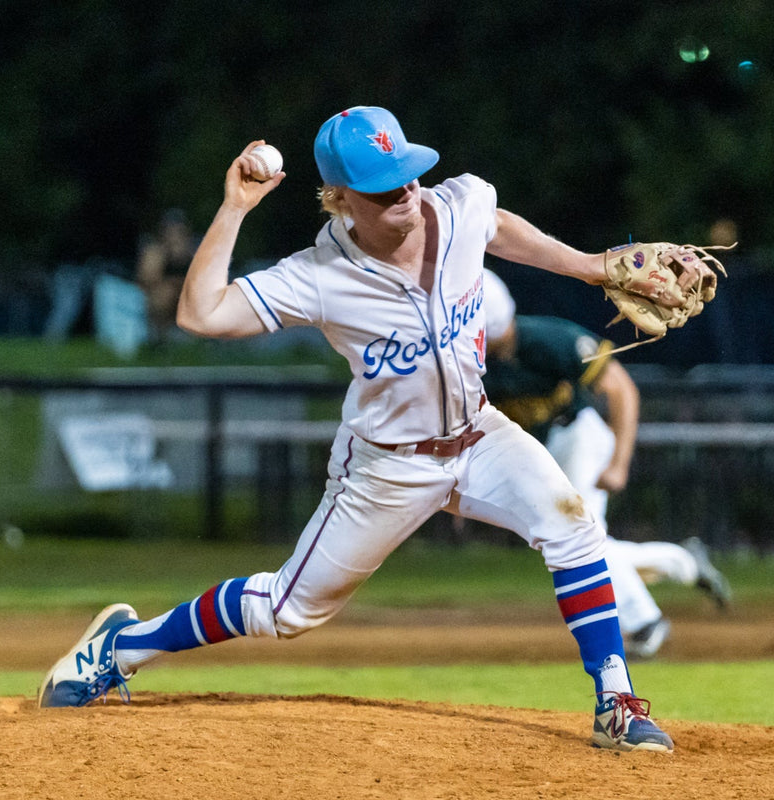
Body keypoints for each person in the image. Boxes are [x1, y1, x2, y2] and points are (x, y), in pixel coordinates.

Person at [38, 105, 715, 751]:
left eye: (409, 174)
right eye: (383, 186)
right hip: (388, 466)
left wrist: (592, 265)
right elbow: (202, 314)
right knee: (285, 612)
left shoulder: (454, 206)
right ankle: (121, 646)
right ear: (338, 197)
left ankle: (617, 703)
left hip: (479, 434)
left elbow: (496, 224)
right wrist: (235, 209)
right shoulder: (319, 277)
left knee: (571, 523)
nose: (406, 192)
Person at [480, 269, 732, 658]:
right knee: (575, 543)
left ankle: (645, 621)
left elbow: (621, 388)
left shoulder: (547, 338)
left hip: (580, 437)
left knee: (578, 539)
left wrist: (619, 461)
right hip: (543, 452)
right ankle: (682, 562)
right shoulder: (474, 361)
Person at [135, 207, 199, 342]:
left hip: (189, 295)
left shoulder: (196, 250)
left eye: (178, 229)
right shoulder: (155, 252)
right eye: (170, 229)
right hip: (163, 296)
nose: (174, 233)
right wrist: (166, 255)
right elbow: (147, 280)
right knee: (163, 296)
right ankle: (159, 338)